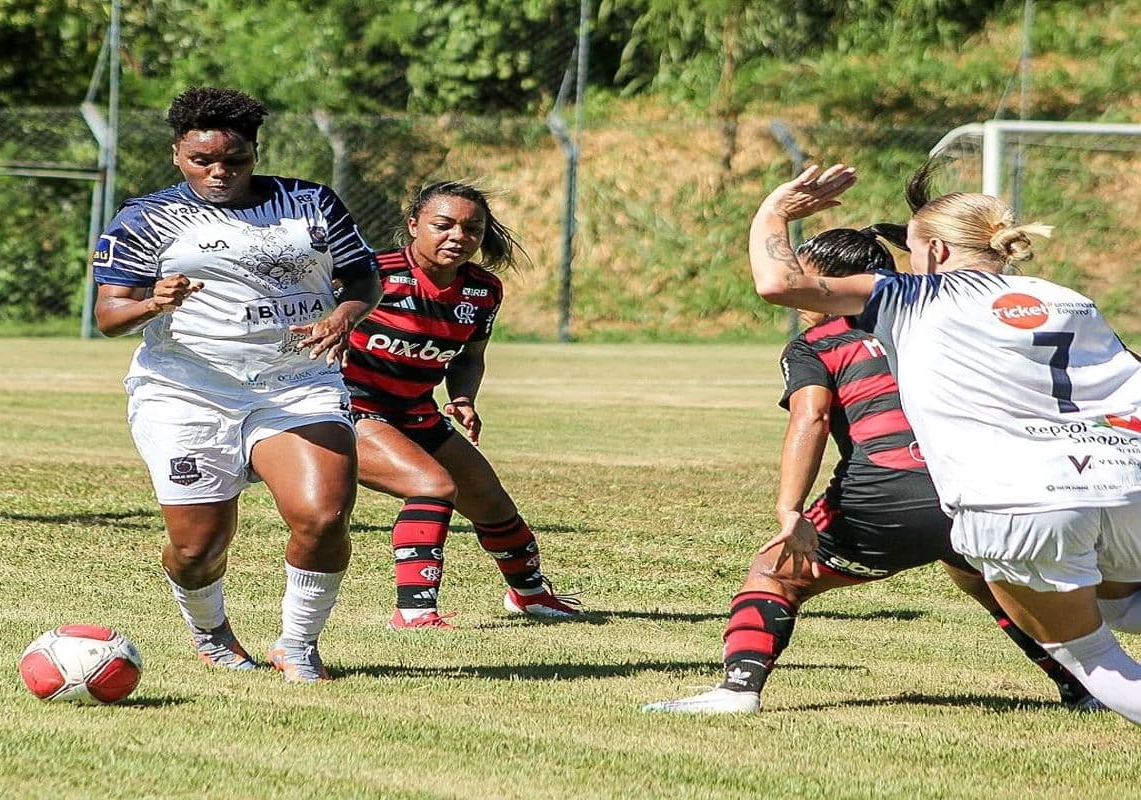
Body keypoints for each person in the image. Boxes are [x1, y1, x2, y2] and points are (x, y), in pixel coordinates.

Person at [742, 160, 1141, 725]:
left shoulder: (917, 296)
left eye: (912, 248)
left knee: (1094, 655)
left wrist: (775, 210)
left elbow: (780, 283)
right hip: (1128, 483)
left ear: (938, 251)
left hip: (1019, 499)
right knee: (1120, 601)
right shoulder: (1067, 298)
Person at [643, 227, 1098, 714]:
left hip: (884, 496)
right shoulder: (938, 323)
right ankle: (1088, 690)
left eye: (804, 273)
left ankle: (737, 690)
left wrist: (789, 510)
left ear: (835, 282)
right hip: (976, 485)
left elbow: (811, 418)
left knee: (774, 574)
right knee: (994, 585)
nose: (797, 288)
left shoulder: (817, 344)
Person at [92, 86, 382, 682]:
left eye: (235, 159)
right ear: (177, 153)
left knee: (323, 515)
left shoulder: (311, 203)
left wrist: (342, 318)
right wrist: (153, 302)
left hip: (297, 381)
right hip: (187, 390)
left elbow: (362, 279)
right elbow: (108, 316)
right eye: (203, 160)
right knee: (199, 547)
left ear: (254, 151)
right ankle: (212, 633)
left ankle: (298, 645)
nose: (219, 171)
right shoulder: (146, 219)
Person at [343, 181, 580, 629]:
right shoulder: (371, 274)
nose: (458, 236)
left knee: (491, 502)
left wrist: (463, 398)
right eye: (443, 224)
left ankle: (530, 596)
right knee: (431, 486)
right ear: (414, 224)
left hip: (417, 413)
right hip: (350, 410)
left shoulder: (483, 290)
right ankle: (414, 612)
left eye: (472, 228)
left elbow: (470, 356)